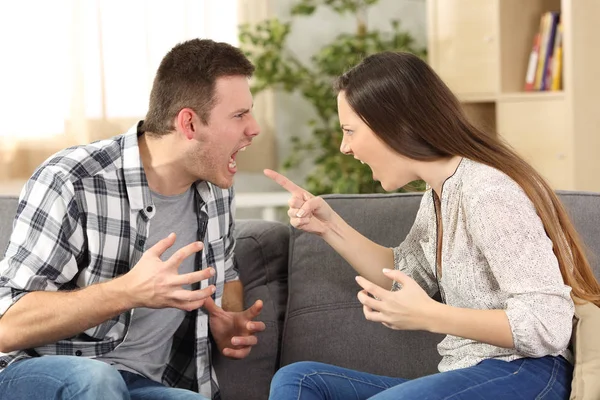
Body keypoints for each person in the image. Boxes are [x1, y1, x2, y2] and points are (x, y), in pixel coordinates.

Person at [264, 51, 600, 400]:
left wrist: (431, 316)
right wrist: (329, 227)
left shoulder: (487, 192)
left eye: (350, 131)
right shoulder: (439, 194)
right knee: (300, 380)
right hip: (469, 374)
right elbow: (404, 275)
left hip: (528, 372)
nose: (344, 147)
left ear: (394, 125)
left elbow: (549, 324)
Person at [0, 38, 265, 400]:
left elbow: (227, 274)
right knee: (97, 382)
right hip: (38, 373)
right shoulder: (73, 181)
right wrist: (127, 292)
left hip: (142, 385)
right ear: (188, 123)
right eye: (239, 115)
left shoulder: (216, 189)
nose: (254, 128)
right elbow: (6, 325)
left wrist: (227, 317)